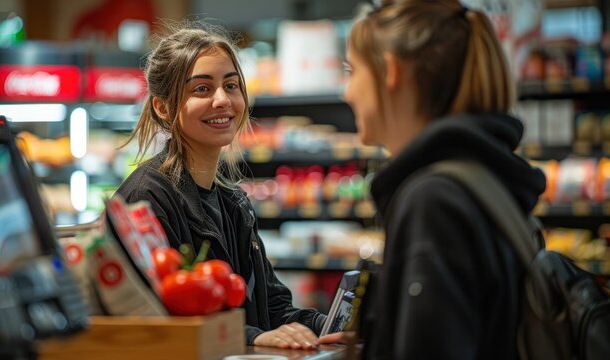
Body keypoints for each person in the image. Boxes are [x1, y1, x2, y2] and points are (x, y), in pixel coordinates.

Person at [113, 21, 341, 349]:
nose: (223, 100)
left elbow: (272, 306)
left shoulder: (233, 200)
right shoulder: (146, 199)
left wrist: (333, 324)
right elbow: (161, 318)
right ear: (163, 107)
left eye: (231, 85)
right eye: (202, 89)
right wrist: (256, 337)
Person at [342, 0, 546, 359]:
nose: (347, 92)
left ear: (390, 71)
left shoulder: (433, 201)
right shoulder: (481, 178)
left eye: (352, 70)